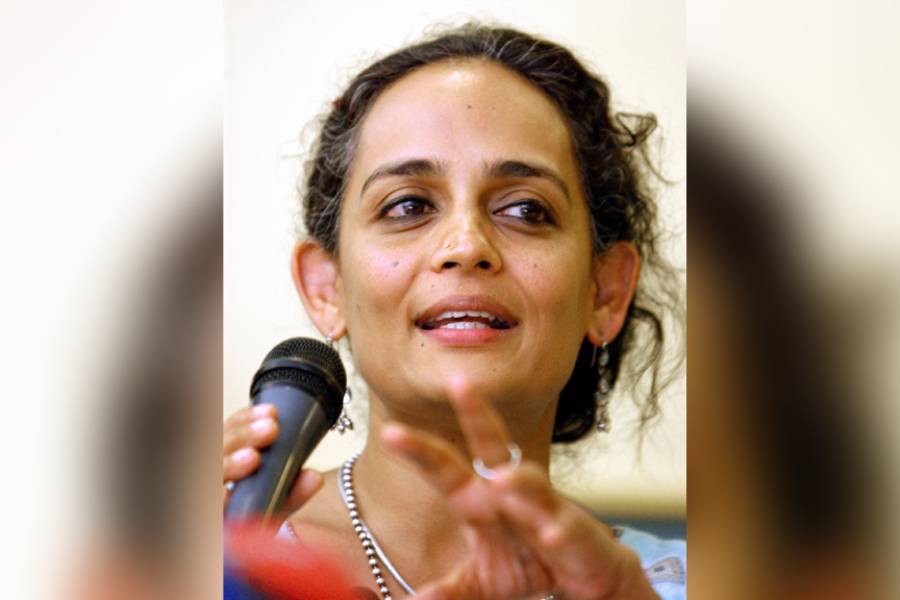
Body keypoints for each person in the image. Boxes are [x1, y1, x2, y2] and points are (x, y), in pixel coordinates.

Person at [224, 23, 684, 600]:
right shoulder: (222, 560)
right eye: (409, 205)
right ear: (327, 289)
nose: (466, 245)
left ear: (605, 293)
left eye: (526, 210)